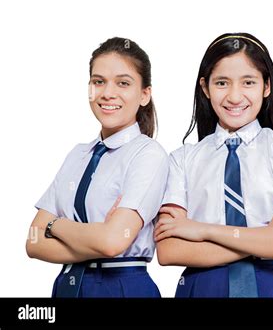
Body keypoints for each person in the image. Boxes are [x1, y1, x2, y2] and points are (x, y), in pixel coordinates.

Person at [155, 33, 273, 297]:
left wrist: (202, 230)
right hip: (202, 288)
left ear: (266, 87)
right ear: (205, 87)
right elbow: (169, 251)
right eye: (222, 83)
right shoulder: (182, 160)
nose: (234, 96)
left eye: (248, 82)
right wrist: (269, 235)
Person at [26, 37, 168, 297]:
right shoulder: (77, 155)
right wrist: (99, 236)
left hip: (122, 286)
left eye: (123, 83)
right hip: (68, 285)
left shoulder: (148, 155)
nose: (107, 93)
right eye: (98, 81)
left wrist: (54, 225)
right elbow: (33, 243)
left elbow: (114, 242)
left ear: (144, 94)